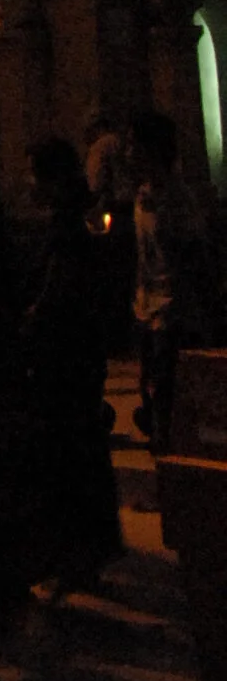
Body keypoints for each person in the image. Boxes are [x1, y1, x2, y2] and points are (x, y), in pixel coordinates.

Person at [21, 136, 122, 598]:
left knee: (71, 455)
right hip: (78, 352)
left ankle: (78, 557)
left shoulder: (65, 229)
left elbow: (58, 293)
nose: (28, 184)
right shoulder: (70, 222)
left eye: (33, 174)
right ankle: (88, 554)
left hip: (67, 356)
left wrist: (29, 322)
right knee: (81, 454)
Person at [129, 107, 215, 453]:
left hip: (171, 304)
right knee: (150, 382)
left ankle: (170, 452)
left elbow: (192, 254)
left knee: (166, 384)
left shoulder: (176, 199)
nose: (128, 152)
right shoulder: (143, 195)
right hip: (146, 303)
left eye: (135, 145)